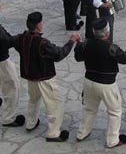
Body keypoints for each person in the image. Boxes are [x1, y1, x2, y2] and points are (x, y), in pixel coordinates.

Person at [13, 12, 79, 142]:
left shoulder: (21, 38)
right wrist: (71, 41)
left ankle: (30, 123)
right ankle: (53, 133)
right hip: (44, 77)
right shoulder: (42, 43)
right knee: (55, 104)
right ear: (38, 26)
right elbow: (59, 54)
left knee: (33, 100)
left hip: (30, 76)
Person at [74, 17, 126, 148]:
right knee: (115, 111)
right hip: (107, 85)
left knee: (89, 109)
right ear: (108, 32)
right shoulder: (111, 48)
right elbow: (125, 59)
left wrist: (78, 44)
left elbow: (78, 57)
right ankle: (112, 140)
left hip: (89, 81)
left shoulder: (86, 44)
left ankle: (82, 133)